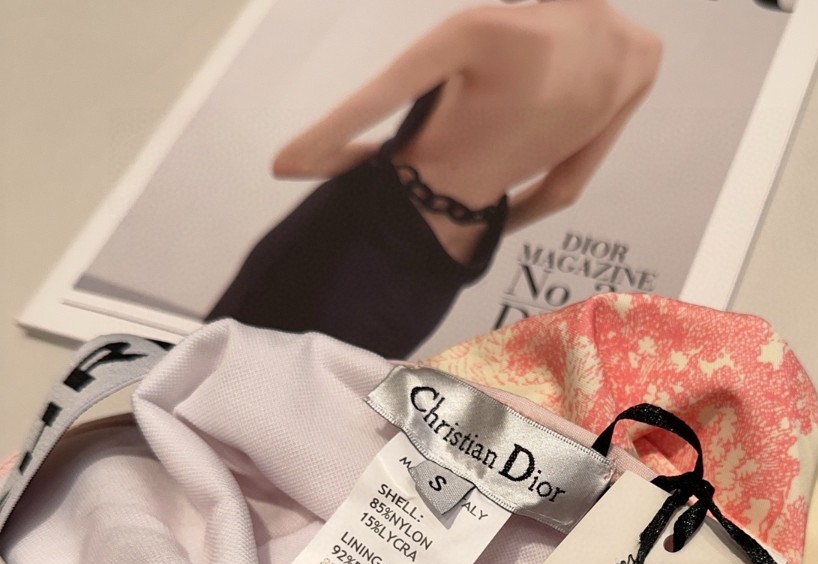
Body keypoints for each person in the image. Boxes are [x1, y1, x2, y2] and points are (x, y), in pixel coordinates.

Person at [205, 0, 662, 358]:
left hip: (341, 246)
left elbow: (298, 159)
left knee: (207, 386)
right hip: (434, 283)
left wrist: (390, 157)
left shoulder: (484, 28)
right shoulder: (644, 55)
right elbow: (561, 192)